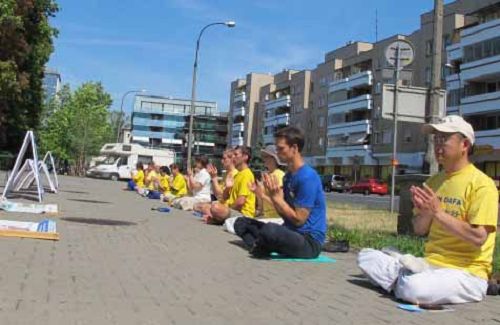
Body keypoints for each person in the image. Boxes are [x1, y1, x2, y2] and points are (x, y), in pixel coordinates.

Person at [357, 115, 499, 305]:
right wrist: (426, 213)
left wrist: (439, 213)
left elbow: (478, 237)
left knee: (413, 287)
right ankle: (405, 278)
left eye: (444, 139)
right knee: (366, 256)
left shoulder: (482, 185)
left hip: (467, 273)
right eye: (435, 139)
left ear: (464, 144)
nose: (438, 145)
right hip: (430, 264)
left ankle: (403, 280)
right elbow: (419, 230)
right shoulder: (434, 182)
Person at [233, 126, 326, 258]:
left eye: (281, 149)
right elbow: (285, 215)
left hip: (308, 241)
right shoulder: (287, 177)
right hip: (290, 231)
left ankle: (261, 245)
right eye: (277, 149)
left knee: (270, 230)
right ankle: (261, 246)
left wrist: (277, 199)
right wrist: (272, 196)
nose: (277, 153)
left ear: (294, 148)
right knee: (241, 223)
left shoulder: (307, 177)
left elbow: (299, 220)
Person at [208, 146, 256, 224]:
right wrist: (227, 188)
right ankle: (218, 219)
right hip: (234, 210)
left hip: (243, 214)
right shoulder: (237, 175)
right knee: (206, 206)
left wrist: (227, 209)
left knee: (214, 208)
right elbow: (224, 197)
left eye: (236, 155)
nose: (233, 157)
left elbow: (240, 202)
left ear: (245, 157)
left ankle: (218, 219)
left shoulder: (247, 174)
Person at [194, 149, 238, 217]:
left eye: (224, 158)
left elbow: (221, 196)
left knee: (204, 207)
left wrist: (214, 178)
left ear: (232, 159)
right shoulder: (226, 174)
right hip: (221, 204)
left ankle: (213, 217)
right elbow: (217, 195)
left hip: (227, 207)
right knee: (197, 206)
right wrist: (213, 177)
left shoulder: (235, 174)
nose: (222, 161)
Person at [251, 145, 286, 219]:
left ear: (274, 158)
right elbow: (262, 203)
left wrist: (262, 195)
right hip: (268, 217)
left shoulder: (279, 175)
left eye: (266, 156)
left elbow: (280, 204)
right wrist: (257, 192)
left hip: (278, 219)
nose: (263, 159)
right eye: (263, 156)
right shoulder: (268, 175)